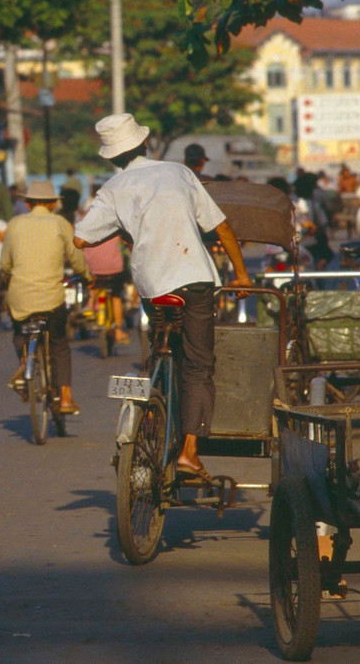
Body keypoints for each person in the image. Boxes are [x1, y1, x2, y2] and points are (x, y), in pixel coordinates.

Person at [74, 113, 250, 481]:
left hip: (154, 287)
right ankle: (189, 452)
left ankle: (154, 409)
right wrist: (242, 274)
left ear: (110, 156)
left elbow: (81, 239)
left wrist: (127, 230)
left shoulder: (113, 189)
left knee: (161, 350)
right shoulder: (179, 173)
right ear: (145, 143)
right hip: (196, 280)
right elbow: (220, 226)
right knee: (198, 365)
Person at [1, 181, 91, 414]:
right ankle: (66, 398)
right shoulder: (60, 223)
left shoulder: (15, 224)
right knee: (59, 344)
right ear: (53, 203)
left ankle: (25, 364)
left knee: (19, 333)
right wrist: (87, 276)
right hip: (51, 299)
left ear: (27, 203)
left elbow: (5, 264)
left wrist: (7, 279)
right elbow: (76, 258)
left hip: (20, 297)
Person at [82, 236, 131, 345]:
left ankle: (91, 303)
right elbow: (127, 241)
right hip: (113, 267)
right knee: (116, 295)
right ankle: (118, 331)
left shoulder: (86, 220)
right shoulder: (115, 221)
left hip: (92, 266)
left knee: (93, 282)